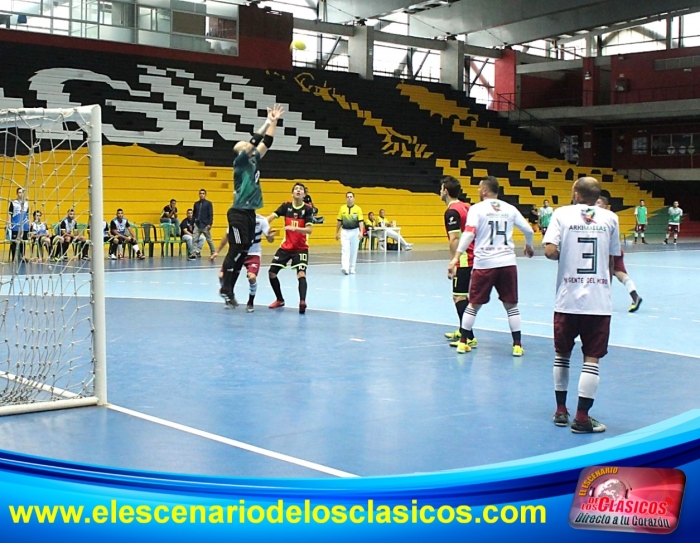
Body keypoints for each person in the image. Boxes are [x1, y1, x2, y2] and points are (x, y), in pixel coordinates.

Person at [543, 177, 621, 434]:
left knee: (562, 355)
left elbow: (550, 251)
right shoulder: (610, 218)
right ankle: (582, 418)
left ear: (576, 193)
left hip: (567, 298)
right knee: (592, 359)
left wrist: (567, 248)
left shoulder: (561, 214)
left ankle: (560, 410)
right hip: (598, 301)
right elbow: (611, 260)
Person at [447, 176, 534, 356]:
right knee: (511, 306)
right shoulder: (510, 209)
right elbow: (528, 230)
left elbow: (469, 234)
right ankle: (517, 345)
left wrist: (456, 257)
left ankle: (463, 342)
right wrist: (529, 245)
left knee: (473, 305)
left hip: (485, 263)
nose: (478, 191)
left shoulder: (477, 209)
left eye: (479, 188)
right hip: (507, 262)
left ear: (485, 190)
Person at [219, 103, 284, 307]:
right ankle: (225, 285)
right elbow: (254, 142)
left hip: (249, 213)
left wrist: (274, 122)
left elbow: (268, 142)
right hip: (237, 212)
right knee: (236, 246)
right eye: (243, 145)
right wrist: (266, 122)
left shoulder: (254, 159)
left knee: (245, 249)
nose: (247, 146)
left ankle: (229, 287)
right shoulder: (239, 162)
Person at [440, 176, 477, 350]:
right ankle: (463, 329)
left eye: (441, 189)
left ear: (445, 191)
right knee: (464, 296)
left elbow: (454, 238)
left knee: (458, 297)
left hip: (464, 259)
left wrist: (453, 261)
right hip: (474, 255)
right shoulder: (466, 206)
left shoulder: (452, 211)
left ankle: (468, 337)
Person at [211, 214, 276, 311]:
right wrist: (217, 252)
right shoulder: (236, 220)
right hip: (238, 252)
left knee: (252, 277)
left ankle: (250, 302)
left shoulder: (261, 221)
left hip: (253, 254)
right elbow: (227, 236)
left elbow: (270, 239)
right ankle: (229, 295)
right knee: (221, 276)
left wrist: (270, 236)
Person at [267, 182, 315, 314]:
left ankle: (302, 301)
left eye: (301, 189)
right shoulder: (286, 206)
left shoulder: (308, 209)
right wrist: (264, 226)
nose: (298, 191)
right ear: (292, 193)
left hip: (300, 248)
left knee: (301, 274)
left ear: (304, 194)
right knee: (272, 273)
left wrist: (295, 228)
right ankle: (279, 299)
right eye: (296, 189)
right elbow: (270, 218)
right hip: (286, 247)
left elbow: (309, 230)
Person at [597, 196, 642, 312]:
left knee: (607, 274)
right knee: (618, 274)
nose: (596, 205)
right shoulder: (603, 217)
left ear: (606, 206)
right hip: (612, 249)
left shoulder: (606, 217)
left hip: (609, 250)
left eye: (599, 203)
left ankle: (601, 301)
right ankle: (635, 296)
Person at [335, 191, 364, 274]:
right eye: (347, 197)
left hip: (355, 231)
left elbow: (360, 221)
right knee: (345, 249)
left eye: (351, 197)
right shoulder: (342, 208)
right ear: (346, 198)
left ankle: (352, 267)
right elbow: (339, 221)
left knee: (353, 250)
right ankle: (345, 267)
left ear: (354, 198)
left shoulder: (358, 209)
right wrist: (336, 232)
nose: (349, 198)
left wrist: (361, 232)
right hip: (345, 231)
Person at [8, 187, 29, 262]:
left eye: (22, 192)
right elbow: (10, 214)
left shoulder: (26, 203)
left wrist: (28, 224)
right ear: (17, 194)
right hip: (15, 225)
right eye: (19, 192)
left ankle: (22, 257)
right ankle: (14, 258)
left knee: (23, 242)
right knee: (14, 242)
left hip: (24, 226)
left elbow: (27, 214)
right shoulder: (13, 203)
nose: (21, 194)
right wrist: (9, 223)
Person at [192, 189, 215, 257]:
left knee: (209, 240)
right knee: (194, 239)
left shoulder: (208, 203)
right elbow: (194, 214)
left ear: (205, 194)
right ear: (199, 194)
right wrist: (192, 223)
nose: (201, 194)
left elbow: (210, 214)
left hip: (205, 224)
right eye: (200, 193)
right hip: (197, 224)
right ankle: (193, 253)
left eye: (203, 193)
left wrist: (210, 223)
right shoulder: (196, 204)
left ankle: (213, 252)